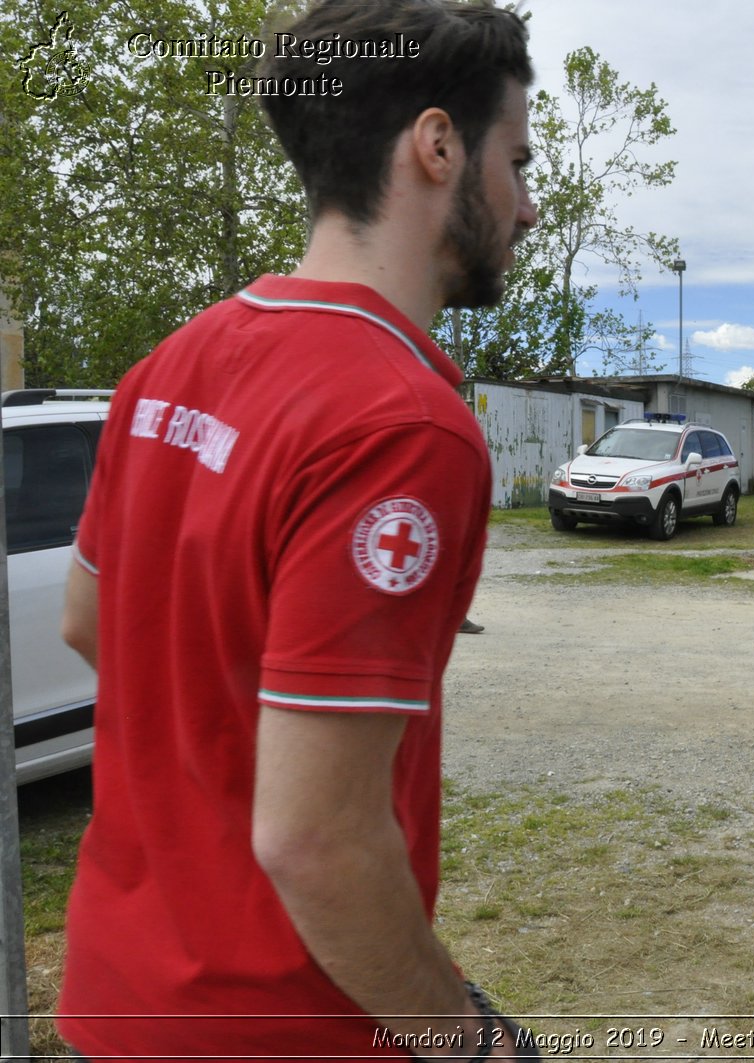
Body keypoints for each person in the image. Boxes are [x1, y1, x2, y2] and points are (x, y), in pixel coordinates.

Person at [56, 1, 540, 1057]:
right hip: (277, 1021)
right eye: (517, 158)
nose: (529, 205)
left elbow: (91, 623)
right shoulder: (403, 424)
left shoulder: (166, 367)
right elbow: (314, 837)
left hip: (119, 992)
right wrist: (460, 1036)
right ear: (437, 144)